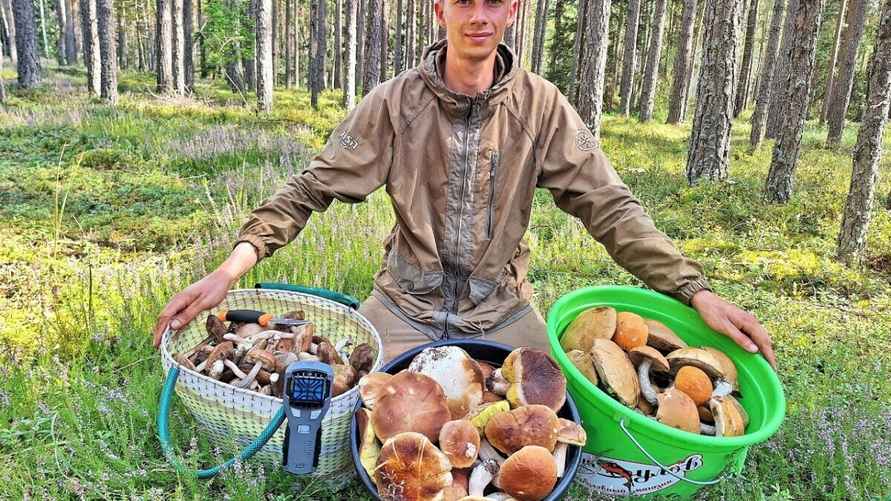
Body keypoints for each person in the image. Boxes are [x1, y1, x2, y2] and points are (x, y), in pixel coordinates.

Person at [153, 0, 777, 369]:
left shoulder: (542, 107)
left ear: (514, 9)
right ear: (439, 8)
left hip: (500, 311)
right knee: (346, 414)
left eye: (494, 0)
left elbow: (610, 207)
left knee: (557, 423)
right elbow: (310, 189)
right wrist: (229, 271)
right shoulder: (394, 103)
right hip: (404, 306)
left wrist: (695, 292)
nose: (478, 15)